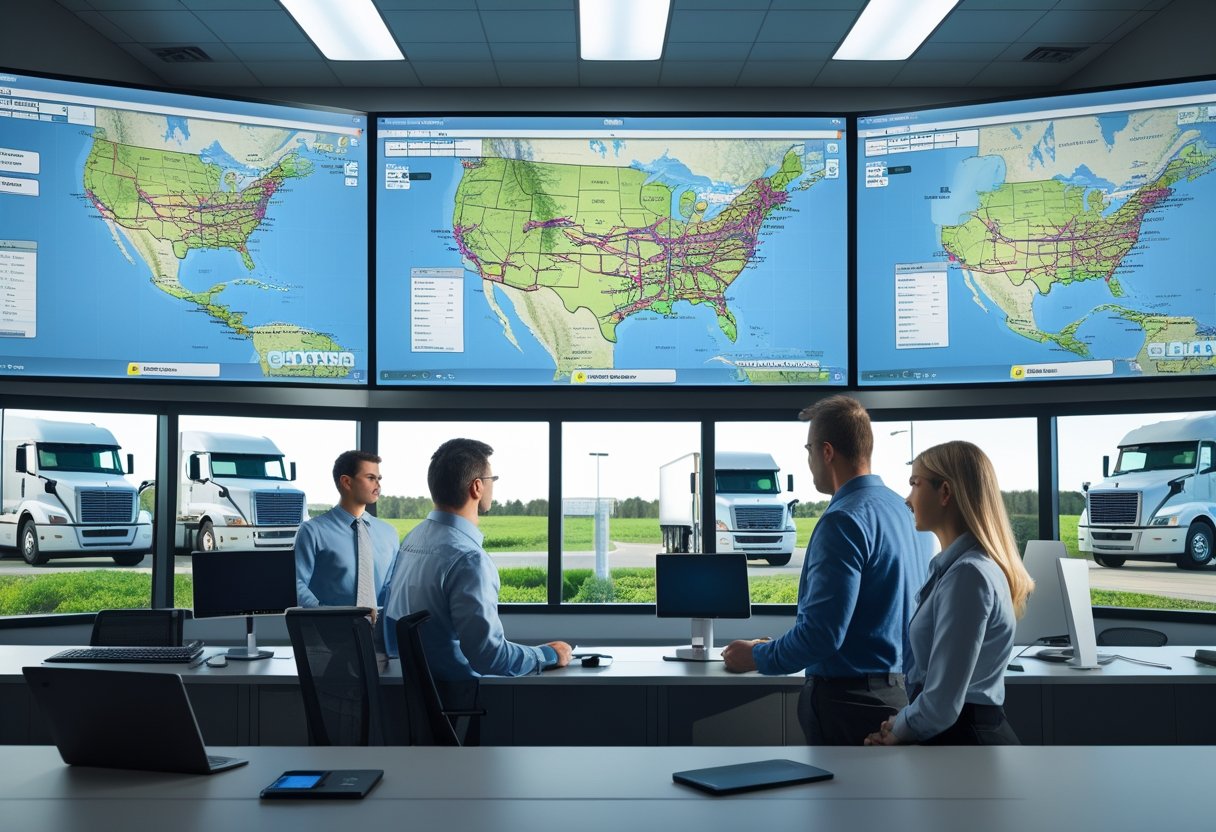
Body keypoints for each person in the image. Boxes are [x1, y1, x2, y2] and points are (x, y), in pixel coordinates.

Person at [722, 395, 932, 746]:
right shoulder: (905, 512)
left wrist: (755, 655)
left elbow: (821, 636)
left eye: (808, 450)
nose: (808, 462)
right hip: (900, 697)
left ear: (827, 451)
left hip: (847, 705)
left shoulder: (842, 520)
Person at [865, 440, 1033, 746]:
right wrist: (900, 723)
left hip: (964, 743)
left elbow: (942, 704)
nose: (907, 499)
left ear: (945, 492)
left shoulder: (967, 576)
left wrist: (897, 732)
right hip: (964, 737)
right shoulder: (964, 569)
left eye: (915, 484)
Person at [380, 438, 572, 677]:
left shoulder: (412, 539)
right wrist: (549, 654)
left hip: (417, 694)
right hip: (461, 700)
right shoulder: (468, 558)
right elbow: (490, 658)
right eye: (492, 480)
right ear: (477, 487)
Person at [294, 450, 398, 621]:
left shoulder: (389, 533)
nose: (378, 485)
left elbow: (391, 586)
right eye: (371, 478)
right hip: (327, 633)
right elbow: (297, 584)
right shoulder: (312, 531)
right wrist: (325, 613)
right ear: (347, 482)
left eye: (379, 479)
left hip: (380, 635)